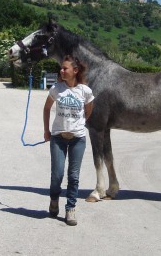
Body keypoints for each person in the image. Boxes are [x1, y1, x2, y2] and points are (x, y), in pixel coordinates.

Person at [43, 55, 94, 226]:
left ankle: (70, 208)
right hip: (58, 138)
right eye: (61, 68)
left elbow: (88, 111)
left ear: (75, 71)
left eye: (65, 68)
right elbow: (46, 108)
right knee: (57, 175)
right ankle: (54, 199)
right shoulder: (56, 88)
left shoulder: (85, 91)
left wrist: (77, 125)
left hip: (77, 139)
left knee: (73, 176)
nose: (62, 71)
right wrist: (46, 131)